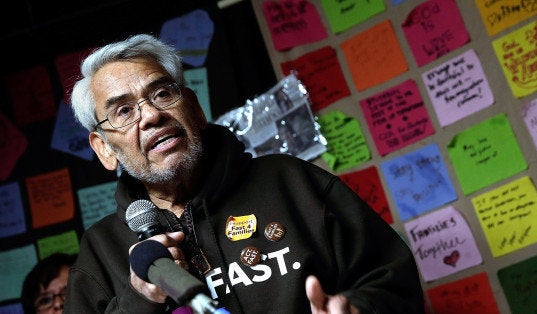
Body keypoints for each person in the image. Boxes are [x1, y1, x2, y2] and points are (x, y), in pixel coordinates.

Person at [66, 33, 424, 313]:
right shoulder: (102, 249)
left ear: (194, 108)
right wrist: (139, 299)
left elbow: (395, 283)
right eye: (124, 111)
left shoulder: (292, 183)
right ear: (103, 148)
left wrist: (359, 308)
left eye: (161, 93)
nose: (150, 116)